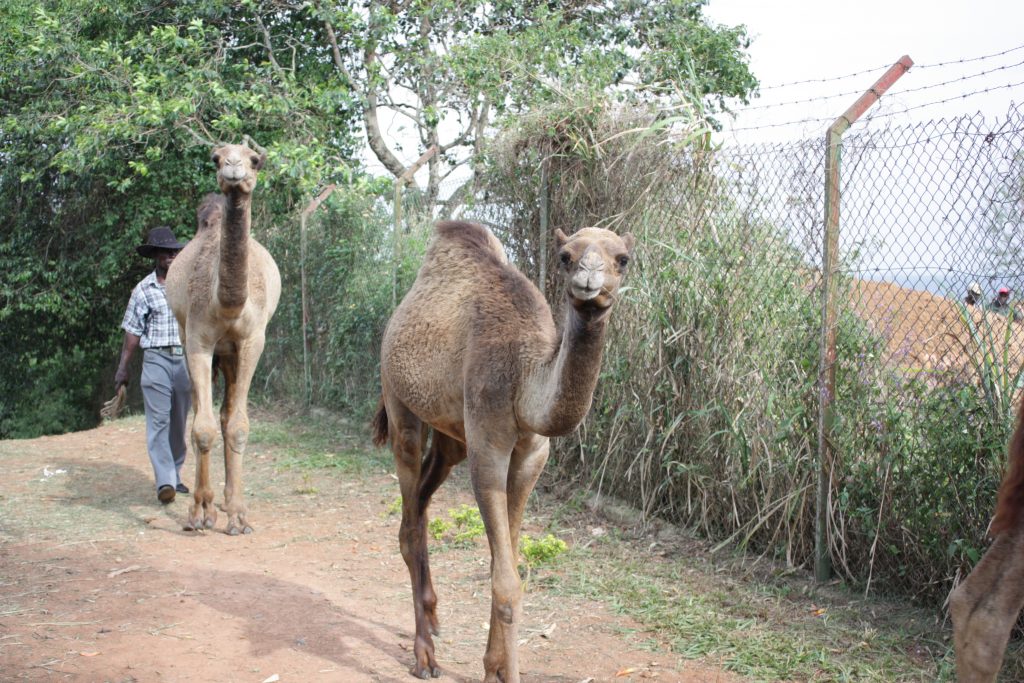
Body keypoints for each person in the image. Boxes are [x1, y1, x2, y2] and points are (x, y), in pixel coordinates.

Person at [114, 227, 191, 504]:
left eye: (174, 252)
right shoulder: (143, 290)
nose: (170, 256)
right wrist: (123, 367)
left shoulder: (189, 286)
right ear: (155, 256)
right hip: (156, 359)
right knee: (159, 421)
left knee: (179, 422)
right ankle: (165, 481)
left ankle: (176, 474)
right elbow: (133, 332)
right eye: (165, 252)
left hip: (184, 359)